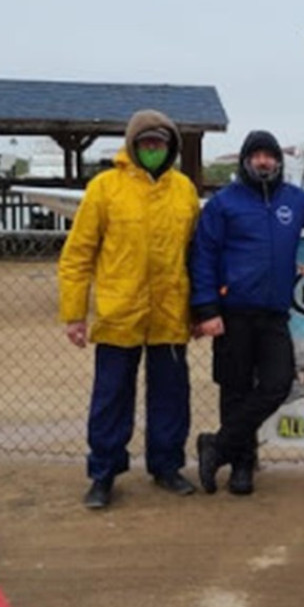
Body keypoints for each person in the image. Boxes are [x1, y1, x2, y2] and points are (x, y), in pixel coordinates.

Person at [58, 109, 202, 509]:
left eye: (160, 143)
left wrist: (199, 309)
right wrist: (75, 314)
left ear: (171, 146)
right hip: (119, 314)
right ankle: (103, 473)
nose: (154, 150)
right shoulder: (105, 188)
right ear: (132, 146)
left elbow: (196, 254)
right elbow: (78, 255)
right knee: (111, 398)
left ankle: (167, 466)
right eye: (146, 143)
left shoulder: (184, 191)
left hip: (170, 315)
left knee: (171, 398)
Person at [191, 130, 304, 496]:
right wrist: (206, 309)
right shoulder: (224, 204)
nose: (263, 161)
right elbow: (203, 257)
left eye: (269, 156)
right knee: (235, 390)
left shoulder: (295, 200)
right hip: (232, 312)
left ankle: (217, 445)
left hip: (274, 313)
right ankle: (242, 467)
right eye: (256, 155)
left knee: (278, 383)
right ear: (245, 161)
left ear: (278, 161)